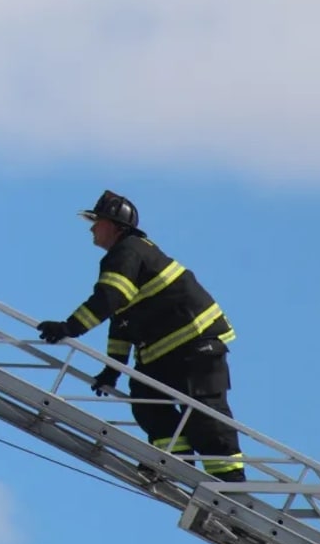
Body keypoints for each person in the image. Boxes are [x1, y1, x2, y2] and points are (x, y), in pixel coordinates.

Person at [36, 190, 246, 482]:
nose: (92, 228)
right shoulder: (127, 256)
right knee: (146, 400)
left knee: (205, 418)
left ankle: (231, 489)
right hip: (166, 353)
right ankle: (173, 460)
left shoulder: (128, 252)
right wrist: (113, 368)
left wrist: (69, 328)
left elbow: (110, 298)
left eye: (96, 221)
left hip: (197, 344)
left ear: (114, 225)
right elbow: (120, 321)